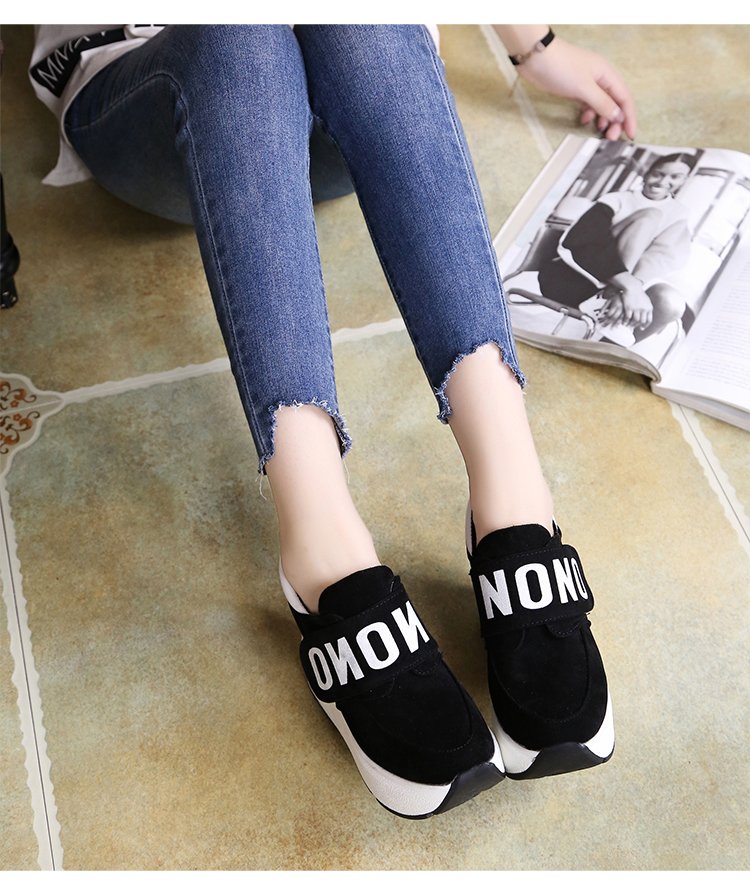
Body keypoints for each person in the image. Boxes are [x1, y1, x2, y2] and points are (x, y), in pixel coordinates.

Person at [28, 24, 636, 818]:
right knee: (242, 34)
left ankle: (513, 497)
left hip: (332, 109)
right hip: (156, 88)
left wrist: (536, 45)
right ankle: (323, 549)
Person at [538, 152, 695, 342]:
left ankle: (608, 348)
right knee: (651, 216)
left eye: (675, 177)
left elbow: (660, 257)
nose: (663, 182)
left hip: (624, 288)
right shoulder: (616, 199)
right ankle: (615, 295)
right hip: (575, 279)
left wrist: (632, 288)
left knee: (671, 303)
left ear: (684, 181)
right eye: (658, 174)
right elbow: (582, 241)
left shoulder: (679, 213)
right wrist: (628, 287)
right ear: (647, 173)